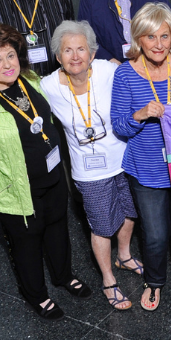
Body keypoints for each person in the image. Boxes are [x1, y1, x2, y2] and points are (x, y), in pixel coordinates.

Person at [0, 24, 91, 320]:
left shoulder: (30, 79)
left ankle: (63, 276)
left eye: (10, 55)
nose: (7, 65)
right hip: (17, 189)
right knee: (27, 243)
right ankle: (36, 294)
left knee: (58, 229)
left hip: (52, 177)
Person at [41, 21, 141, 311]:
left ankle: (124, 255)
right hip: (89, 170)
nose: (75, 56)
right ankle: (108, 278)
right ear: (58, 57)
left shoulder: (108, 71)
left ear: (92, 51)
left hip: (123, 158)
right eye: (67, 51)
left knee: (130, 212)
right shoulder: (48, 86)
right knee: (100, 225)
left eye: (81, 49)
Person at [111, 3, 171, 312]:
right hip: (147, 167)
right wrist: (140, 114)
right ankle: (154, 281)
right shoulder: (125, 74)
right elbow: (120, 126)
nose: (159, 45)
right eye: (150, 37)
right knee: (154, 235)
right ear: (139, 38)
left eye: (165, 36)